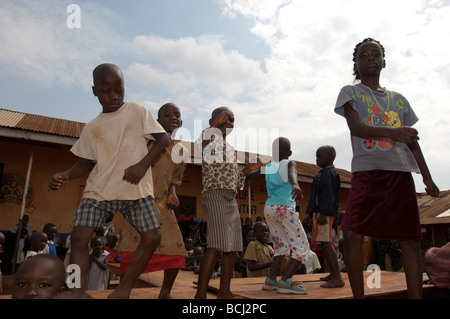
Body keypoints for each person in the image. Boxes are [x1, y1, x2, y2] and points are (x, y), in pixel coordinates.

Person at [48, 63, 169, 299]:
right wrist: (66, 175)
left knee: (152, 237)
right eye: (106, 91)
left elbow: (162, 139)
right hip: (100, 191)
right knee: (79, 238)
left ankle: (124, 289)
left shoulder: (136, 110)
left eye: (119, 90)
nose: (113, 96)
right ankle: (75, 290)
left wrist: (142, 165)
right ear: (95, 91)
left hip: (135, 189)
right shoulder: (92, 127)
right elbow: (83, 164)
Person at [335, 38, 440, 299]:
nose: (370, 58)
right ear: (356, 64)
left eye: (375, 54)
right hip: (367, 172)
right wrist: (394, 132)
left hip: (400, 174)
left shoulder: (399, 100)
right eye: (363, 55)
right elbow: (356, 128)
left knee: (410, 240)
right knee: (350, 233)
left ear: (383, 61)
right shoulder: (351, 92)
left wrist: (427, 178)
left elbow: (411, 141)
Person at [118, 102, 188, 299]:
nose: (173, 117)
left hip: (162, 205)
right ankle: (125, 290)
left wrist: (173, 193)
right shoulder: (143, 141)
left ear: (181, 122)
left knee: (176, 248)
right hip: (137, 201)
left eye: (177, 114)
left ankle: (165, 293)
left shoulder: (180, 150)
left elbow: (175, 178)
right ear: (157, 121)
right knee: (133, 249)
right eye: (167, 115)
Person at [194, 106, 261, 299]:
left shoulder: (230, 149)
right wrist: (216, 124)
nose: (228, 122)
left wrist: (248, 170)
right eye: (224, 117)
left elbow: (234, 179)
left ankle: (224, 291)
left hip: (230, 198)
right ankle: (200, 295)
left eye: (231, 120)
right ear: (211, 121)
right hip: (214, 194)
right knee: (216, 244)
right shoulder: (209, 138)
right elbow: (199, 149)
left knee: (232, 246)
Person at [253, 137, 309, 294]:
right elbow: (292, 172)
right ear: (290, 153)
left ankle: (270, 280)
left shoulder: (270, 166)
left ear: (273, 153)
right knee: (302, 246)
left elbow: (255, 173)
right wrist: (295, 184)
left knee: (280, 246)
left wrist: (243, 175)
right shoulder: (289, 163)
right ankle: (285, 281)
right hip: (284, 208)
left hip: (269, 208)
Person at [304, 145, 345, 288]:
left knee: (326, 243)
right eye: (316, 156)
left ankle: (337, 277)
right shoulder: (323, 173)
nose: (316, 158)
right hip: (319, 213)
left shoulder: (329, 173)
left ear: (330, 156)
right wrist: (310, 213)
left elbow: (328, 195)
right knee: (323, 243)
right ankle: (333, 274)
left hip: (324, 213)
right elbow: (315, 196)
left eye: (319, 156)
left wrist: (323, 213)